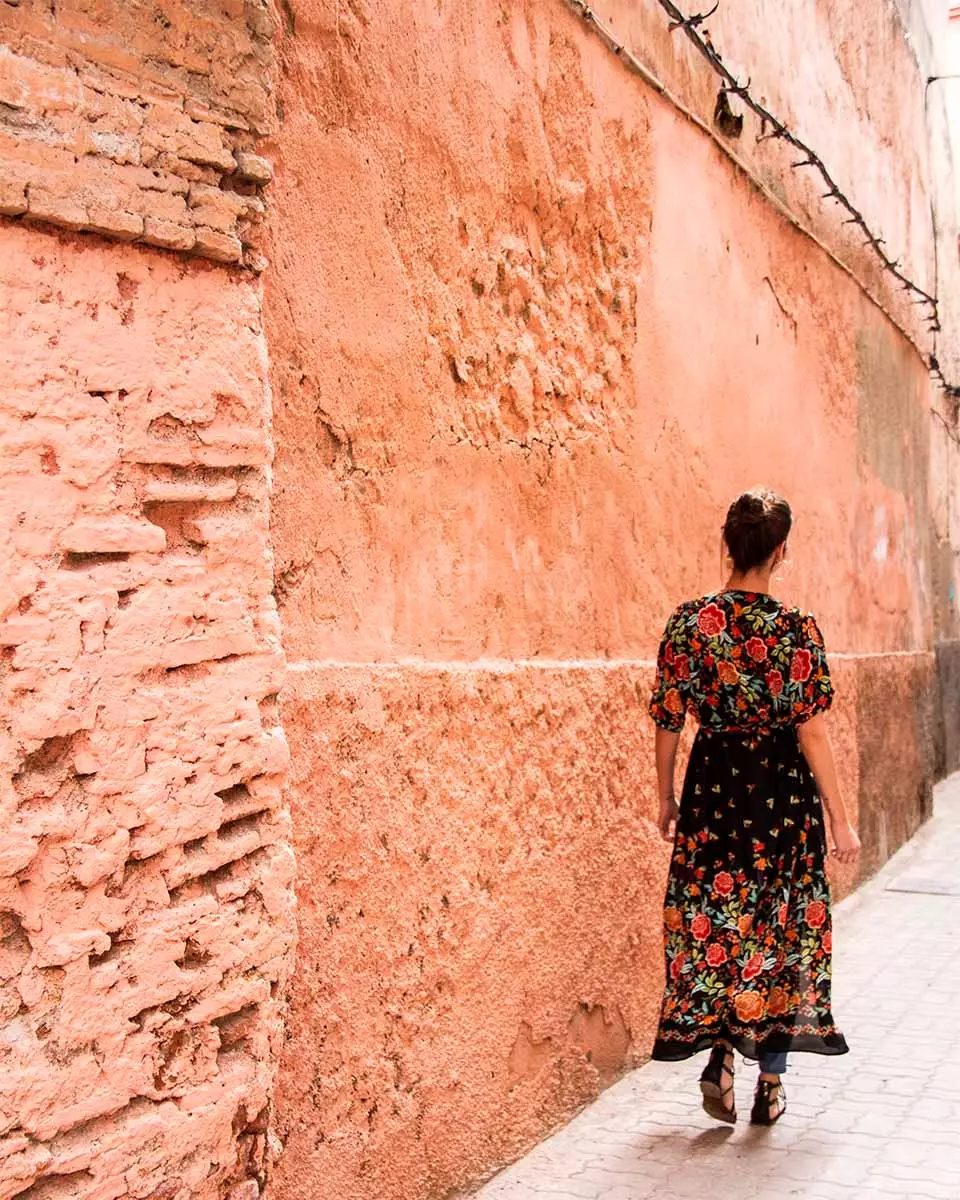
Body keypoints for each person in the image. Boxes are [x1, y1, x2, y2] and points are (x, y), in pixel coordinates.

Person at [648, 489, 860, 1125]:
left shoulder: (688, 623)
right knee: (779, 923)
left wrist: (666, 795)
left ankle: (720, 1056)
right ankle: (771, 1083)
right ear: (780, 553)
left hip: (714, 790)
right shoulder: (797, 629)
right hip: (781, 799)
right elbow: (812, 731)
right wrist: (838, 815)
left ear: (726, 546)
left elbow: (668, 719)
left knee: (715, 917)